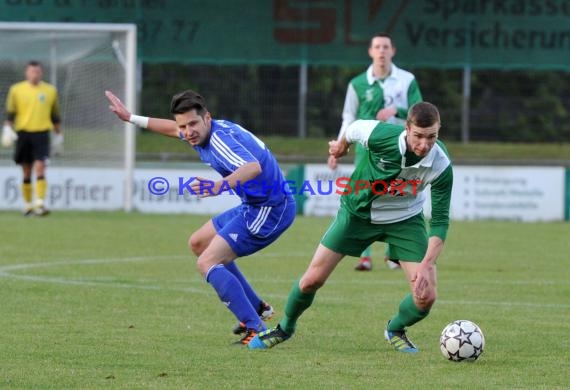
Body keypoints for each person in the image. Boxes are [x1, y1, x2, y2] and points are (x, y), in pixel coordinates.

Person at [248, 102, 453, 353]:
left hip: (405, 220)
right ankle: (285, 328)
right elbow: (354, 128)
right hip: (357, 213)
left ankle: (395, 328)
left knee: (426, 297)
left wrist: (426, 264)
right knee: (311, 281)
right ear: (407, 129)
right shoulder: (381, 136)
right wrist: (341, 147)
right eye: (418, 136)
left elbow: (440, 221)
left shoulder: (441, 164)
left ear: (438, 131)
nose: (424, 144)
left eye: (431, 137)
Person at [105, 89, 296, 345]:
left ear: (207, 117)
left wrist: (217, 187)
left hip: (270, 209)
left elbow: (252, 167)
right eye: (183, 125)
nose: (187, 131)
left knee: (207, 262)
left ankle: (255, 328)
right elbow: (172, 128)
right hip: (252, 204)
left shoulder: (219, 141)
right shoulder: (197, 132)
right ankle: (257, 307)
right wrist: (131, 117)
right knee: (199, 243)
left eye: (192, 124)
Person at [329, 32, 423, 271]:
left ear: (393, 51)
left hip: (401, 149)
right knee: (363, 195)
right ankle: (364, 256)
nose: (381, 51)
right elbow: (348, 118)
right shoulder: (357, 84)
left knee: (401, 193)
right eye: (377, 47)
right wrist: (338, 147)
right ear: (370, 52)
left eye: (386, 47)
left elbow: (419, 113)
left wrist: (396, 111)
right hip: (367, 149)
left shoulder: (407, 80)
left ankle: (395, 254)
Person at [3, 61, 63, 216]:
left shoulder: (50, 90)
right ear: (26, 73)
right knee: (26, 171)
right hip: (23, 133)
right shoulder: (16, 90)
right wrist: (7, 128)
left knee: (41, 166)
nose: (34, 74)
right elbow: (11, 113)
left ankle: (40, 204)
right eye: (31, 71)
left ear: (41, 73)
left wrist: (58, 135)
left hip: (42, 133)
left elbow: (55, 115)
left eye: (37, 72)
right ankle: (28, 204)